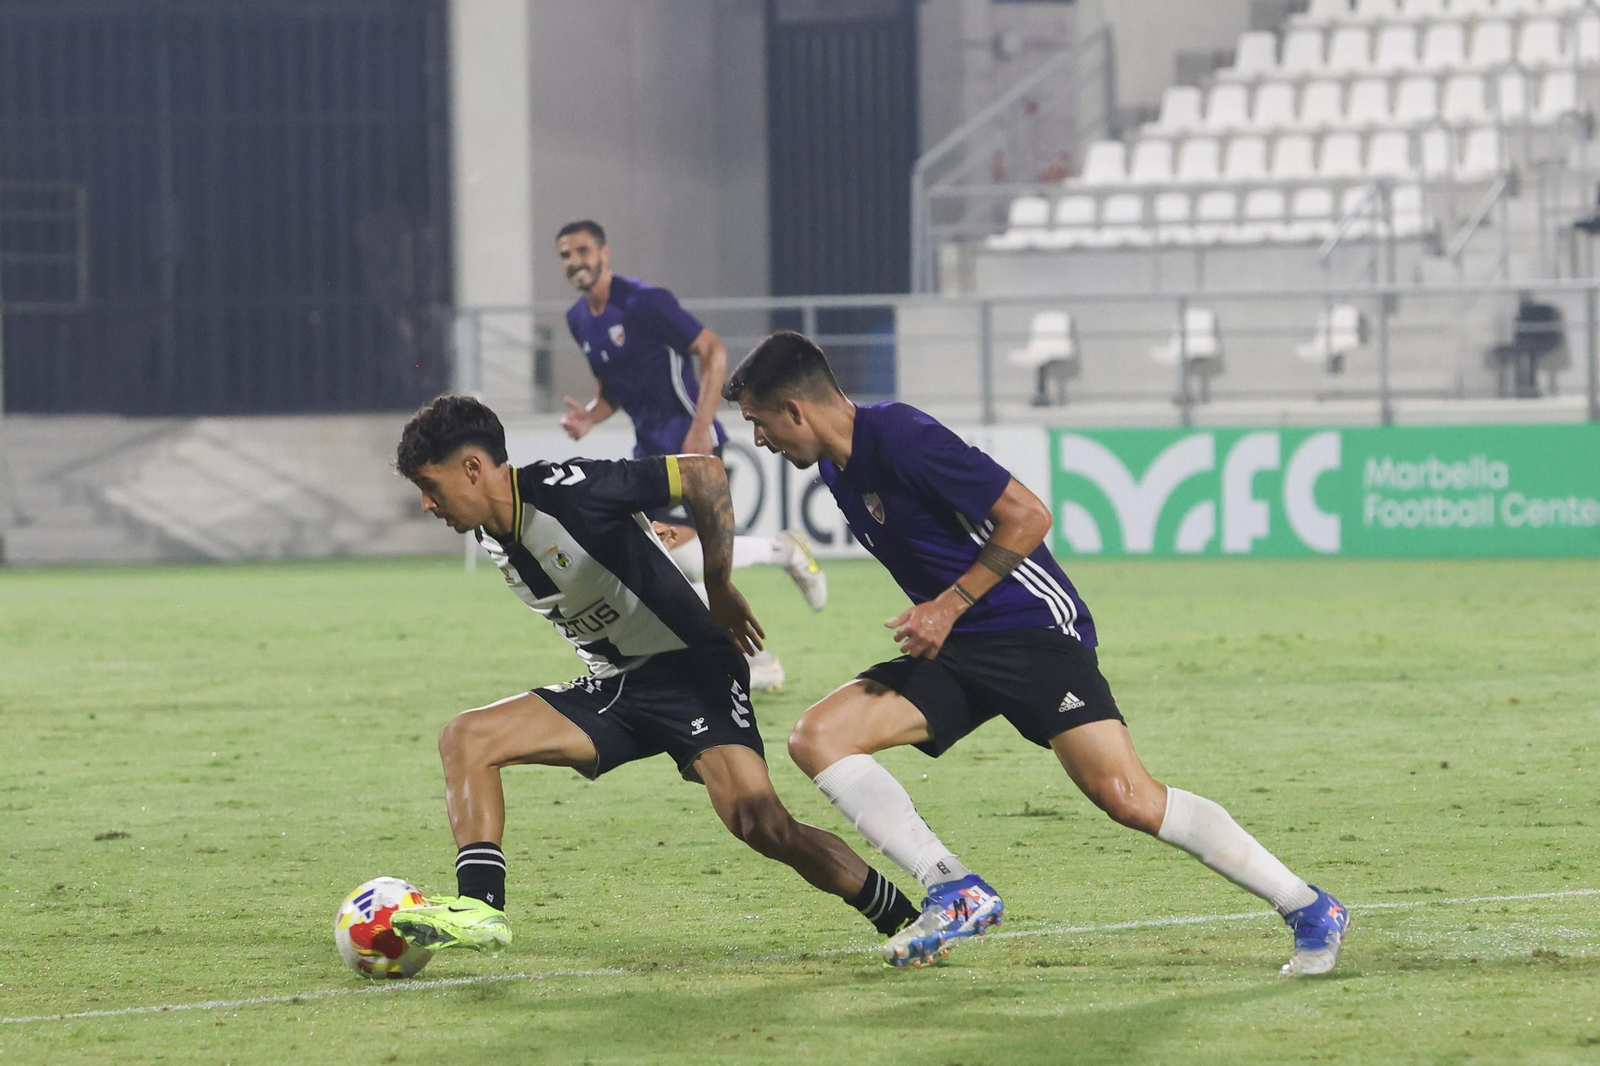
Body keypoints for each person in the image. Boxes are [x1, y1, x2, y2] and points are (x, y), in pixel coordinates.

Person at [722, 332, 1349, 974]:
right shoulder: (836, 468)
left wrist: (947, 604)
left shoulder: (902, 435)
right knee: (817, 736)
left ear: (794, 410)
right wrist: (944, 616)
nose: (760, 440)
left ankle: (1307, 906)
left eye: (759, 423)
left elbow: (1028, 516)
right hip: (957, 646)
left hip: (1031, 631)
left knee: (1127, 796)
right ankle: (953, 887)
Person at [387, 395, 922, 952]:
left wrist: (717, 584)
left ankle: (904, 919)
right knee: (466, 738)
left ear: (473, 468)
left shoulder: (567, 490)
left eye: (430, 485)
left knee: (764, 826)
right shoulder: (489, 530)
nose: (426, 504)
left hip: (693, 674)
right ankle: (479, 908)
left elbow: (704, 473)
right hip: (614, 685)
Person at [555, 219, 822, 691]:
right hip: (648, 454)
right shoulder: (579, 320)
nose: (575, 262)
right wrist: (590, 418)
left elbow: (713, 349)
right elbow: (612, 388)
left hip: (689, 442)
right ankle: (771, 596)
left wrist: (700, 428)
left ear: (604, 252)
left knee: (685, 562)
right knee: (675, 565)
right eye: (565, 255)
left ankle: (766, 622)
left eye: (582, 251)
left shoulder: (644, 302)